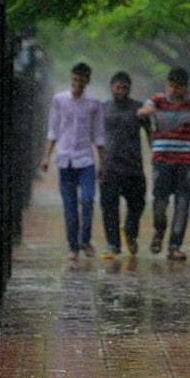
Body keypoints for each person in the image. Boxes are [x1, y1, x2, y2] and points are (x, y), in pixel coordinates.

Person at [137, 67, 190, 261]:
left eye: (177, 87)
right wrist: (147, 112)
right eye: (170, 86)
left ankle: (175, 246)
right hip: (162, 160)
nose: (172, 90)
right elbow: (142, 112)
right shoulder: (156, 101)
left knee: (182, 203)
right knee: (160, 201)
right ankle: (159, 230)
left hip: (184, 161)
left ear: (185, 88)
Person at [41, 62, 105, 262]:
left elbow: (99, 135)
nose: (77, 84)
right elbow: (53, 129)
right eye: (74, 79)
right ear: (71, 79)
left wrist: (102, 163)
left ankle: (85, 240)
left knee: (87, 200)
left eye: (81, 80)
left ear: (87, 81)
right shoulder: (59, 100)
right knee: (69, 207)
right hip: (65, 160)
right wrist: (47, 157)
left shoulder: (94, 104)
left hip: (85, 160)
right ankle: (73, 247)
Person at [99, 71, 150, 259]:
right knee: (109, 207)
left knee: (137, 204)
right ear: (111, 88)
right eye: (118, 87)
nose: (121, 91)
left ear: (130, 89)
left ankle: (130, 231)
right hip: (109, 166)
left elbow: (151, 133)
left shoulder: (139, 109)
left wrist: (155, 153)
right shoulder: (103, 109)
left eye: (125, 88)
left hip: (133, 167)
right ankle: (113, 244)